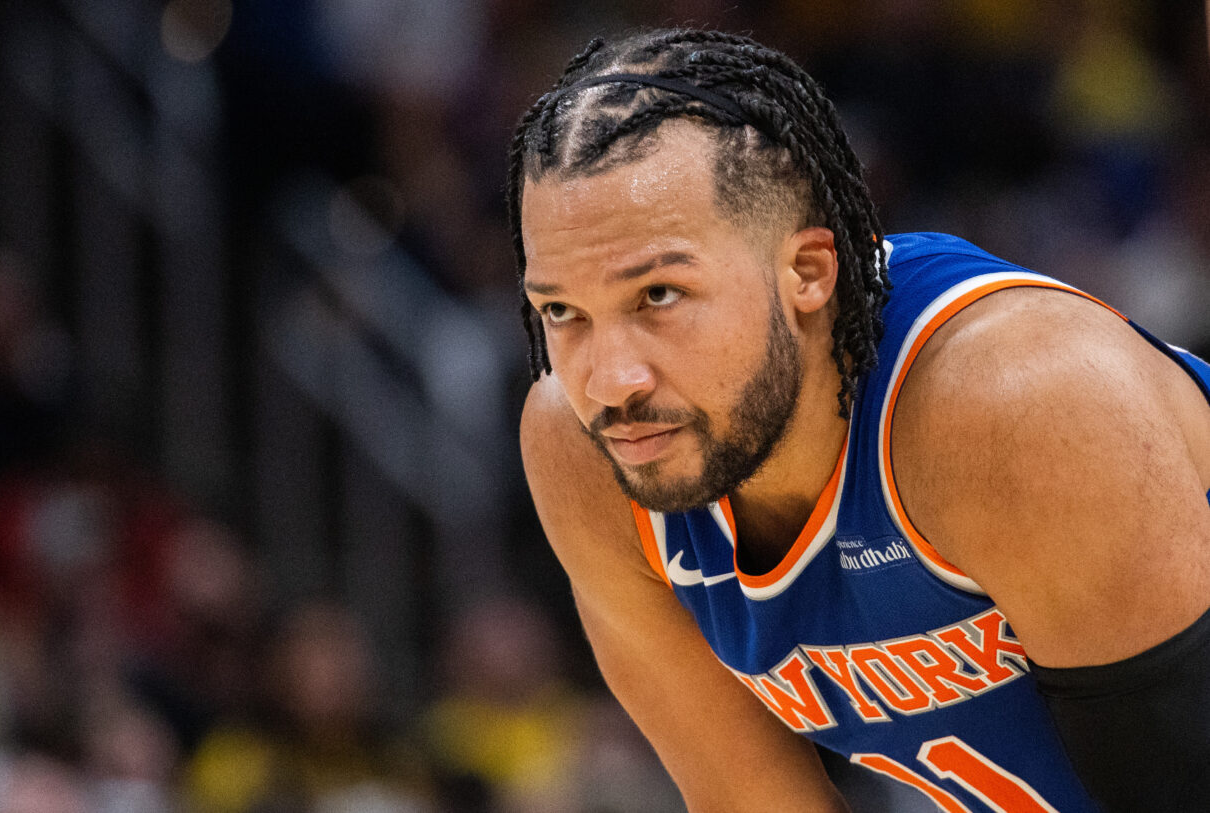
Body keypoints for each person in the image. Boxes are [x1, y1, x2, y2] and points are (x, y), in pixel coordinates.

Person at [511, 28, 1210, 813]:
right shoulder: (587, 447)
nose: (611, 381)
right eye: (562, 310)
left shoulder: (1014, 408)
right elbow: (747, 798)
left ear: (807, 272)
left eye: (660, 296)